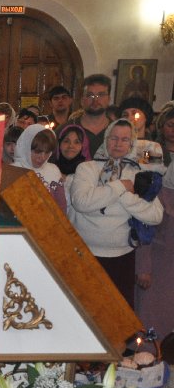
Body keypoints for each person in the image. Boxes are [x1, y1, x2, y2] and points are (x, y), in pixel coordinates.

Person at [69, 118, 163, 306]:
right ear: (105, 140)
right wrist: (120, 186)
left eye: (125, 139)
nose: (118, 143)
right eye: (113, 138)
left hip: (122, 257)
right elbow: (81, 202)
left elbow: (155, 215)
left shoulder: (138, 174)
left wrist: (123, 195)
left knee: (118, 313)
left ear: (132, 144)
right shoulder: (87, 168)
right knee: (84, 310)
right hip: (84, 253)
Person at [135, 162, 174, 339]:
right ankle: (148, 351)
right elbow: (145, 233)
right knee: (152, 315)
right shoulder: (159, 195)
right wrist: (144, 268)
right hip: (158, 269)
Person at [14, 124, 65, 212]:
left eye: (47, 152)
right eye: (38, 152)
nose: (42, 157)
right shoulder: (12, 171)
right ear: (26, 147)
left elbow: (61, 206)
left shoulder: (53, 171)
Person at [72, 74, 114, 157]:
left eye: (101, 95)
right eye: (90, 95)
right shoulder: (67, 129)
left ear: (109, 99)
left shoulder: (117, 130)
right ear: (82, 100)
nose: (95, 100)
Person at [118, 96, 164, 171]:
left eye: (135, 114)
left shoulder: (152, 146)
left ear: (146, 117)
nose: (129, 118)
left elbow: (151, 167)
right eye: (125, 115)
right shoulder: (115, 143)